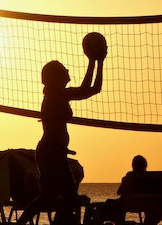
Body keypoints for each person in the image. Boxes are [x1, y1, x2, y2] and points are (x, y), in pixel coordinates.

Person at [18, 56, 104, 225]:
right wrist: (94, 61)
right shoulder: (57, 94)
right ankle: (22, 223)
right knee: (49, 197)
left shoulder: (58, 94)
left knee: (68, 197)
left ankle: (57, 222)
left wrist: (99, 62)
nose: (68, 71)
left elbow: (94, 89)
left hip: (55, 152)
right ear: (56, 77)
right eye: (64, 69)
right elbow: (87, 88)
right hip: (50, 152)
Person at [116, 155, 162, 225]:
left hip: (133, 204)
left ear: (133, 166)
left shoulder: (130, 176)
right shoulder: (159, 178)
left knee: (117, 205)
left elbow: (119, 192)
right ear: (145, 166)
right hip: (152, 205)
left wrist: (124, 181)